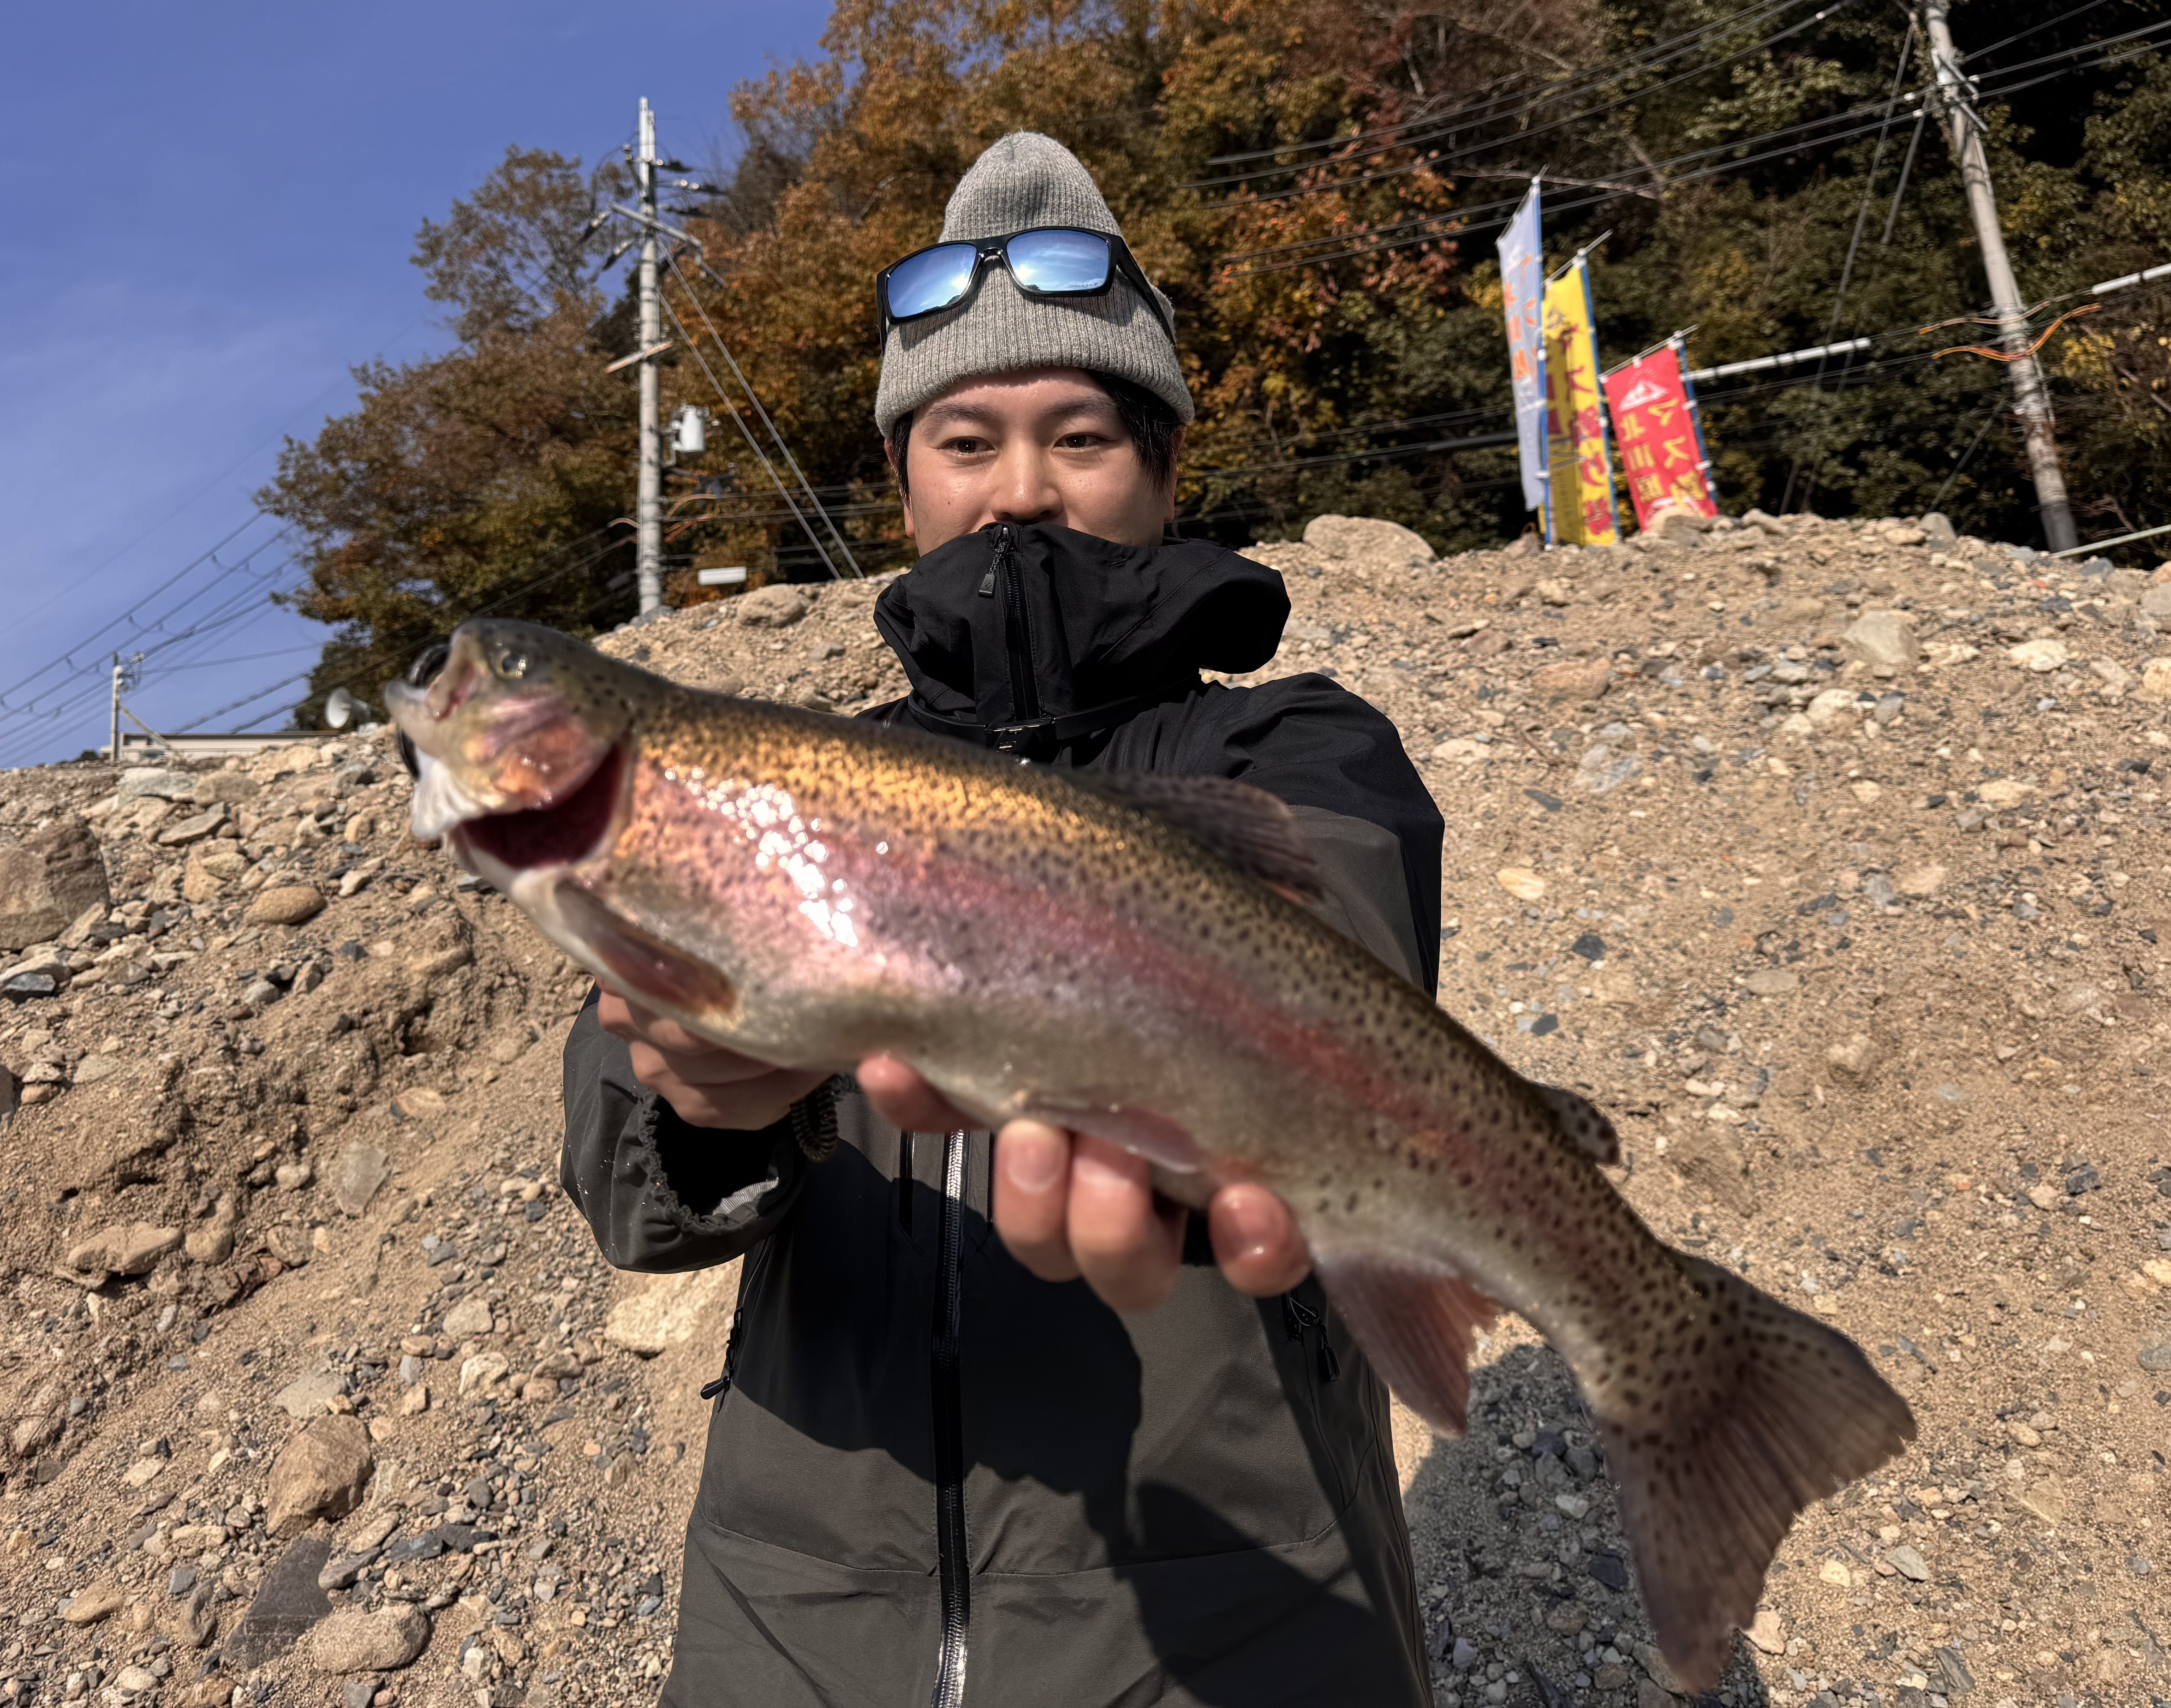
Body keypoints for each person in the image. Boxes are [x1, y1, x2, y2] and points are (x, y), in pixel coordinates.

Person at [560, 132, 1446, 1707]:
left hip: (1238, 1619)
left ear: (1167, 472)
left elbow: (1349, 1020)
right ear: (902, 482)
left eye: (1082, 436)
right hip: (795, 1616)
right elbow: (636, 1205)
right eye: (963, 441)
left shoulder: (1298, 750)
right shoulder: (794, 787)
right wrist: (705, 1114)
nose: (1021, 492)